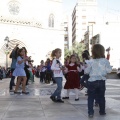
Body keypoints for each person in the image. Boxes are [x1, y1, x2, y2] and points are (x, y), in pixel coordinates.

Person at [84, 44, 112, 118]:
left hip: (92, 81)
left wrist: (86, 69)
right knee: (101, 97)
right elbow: (109, 70)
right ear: (102, 52)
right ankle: (102, 111)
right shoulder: (105, 61)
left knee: (91, 97)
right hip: (101, 81)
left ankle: (90, 113)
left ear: (93, 52)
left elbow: (86, 71)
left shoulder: (91, 61)